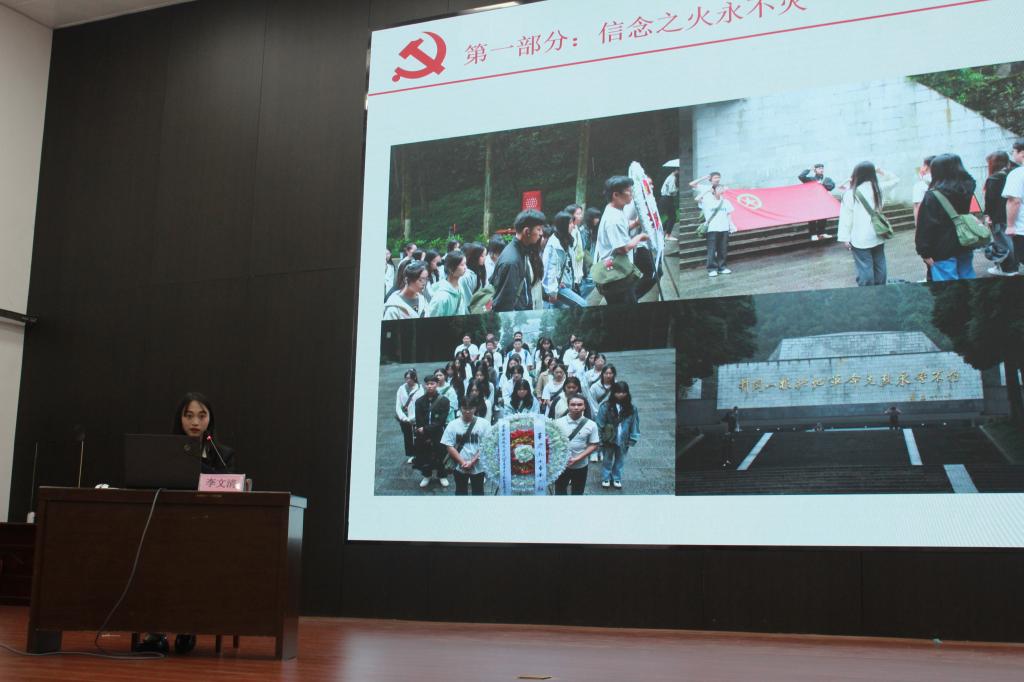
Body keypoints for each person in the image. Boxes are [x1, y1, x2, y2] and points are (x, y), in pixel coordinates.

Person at [137, 392, 234, 655]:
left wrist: (194, 463)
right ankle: (155, 632)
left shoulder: (222, 454)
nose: (195, 422)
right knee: (156, 567)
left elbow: (228, 486)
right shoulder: (163, 452)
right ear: (179, 419)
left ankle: (187, 627)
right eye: (188, 415)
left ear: (210, 419)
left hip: (206, 530)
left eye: (201, 416)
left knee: (195, 568)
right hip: (167, 526)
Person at [915, 153, 977, 282]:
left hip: (942, 248)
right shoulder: (967, 188)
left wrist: (924, 251)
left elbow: (926, 226)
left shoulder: (933, 196)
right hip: (965, 240)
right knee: (967, 277)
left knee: (947, 287)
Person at [837, 162, 898, 286]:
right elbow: (896, 179)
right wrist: (880, 170)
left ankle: (868, 291)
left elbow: (846, 218)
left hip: (860, 238)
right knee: (880, 265)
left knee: (865, 267)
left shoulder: (851, 193)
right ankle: (881, 289)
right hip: (878, 233)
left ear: (856, 174)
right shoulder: (879, 188)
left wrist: (845, 238)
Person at [595, 176, 648, 305]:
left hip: (618, 271)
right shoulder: (614, 219)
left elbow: (624, 227)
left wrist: (635, 223)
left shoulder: (614, 209)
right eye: (629, 191)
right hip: (615, 276)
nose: (631, 194)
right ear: (616, 195)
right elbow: (622, 248)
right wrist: (640, 237)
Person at [491, 209, 545, 312]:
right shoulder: (512, 261)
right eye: (538, 229)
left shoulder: (522, 251)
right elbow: (504, 305)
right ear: (527, 231)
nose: (541, 233)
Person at [441, 398, 491, 495]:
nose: (467, 411)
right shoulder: (453, 424)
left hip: (478, 466)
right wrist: (462, 462)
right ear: (460, 408)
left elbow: (486, 445)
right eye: (465, 408)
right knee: (460, 491)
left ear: (475, 408)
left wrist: (472, 461)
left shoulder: (484, 424)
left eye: (470, 408)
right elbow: (449, 445)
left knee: (478, 491)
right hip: (459, 466)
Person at [596, 381, 640, 490]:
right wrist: (599, 439)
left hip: (623, 439)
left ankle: (616, 478)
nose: (621, 394)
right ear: (613, 393)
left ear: (627, 393)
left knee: (620, 459)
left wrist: (633, 437)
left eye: (623, 392)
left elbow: (634, 423)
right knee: (607, 459)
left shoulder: (632, 408)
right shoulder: (606, 406)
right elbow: (599, 423)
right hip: (609, 438)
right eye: (618, 392)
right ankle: (606, 477)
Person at [553, 396, 600, 495]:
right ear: (568, 406)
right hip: (561, 465)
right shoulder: (557, 423)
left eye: (579, 405)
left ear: (584, 406)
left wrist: (577, 458)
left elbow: (594, 444)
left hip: (581, 465)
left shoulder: (591, 425)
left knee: (578, 492)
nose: (576, 407)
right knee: (560, 491)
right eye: (573, 404)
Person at [542, 211, 587, 308]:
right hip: (557, 287)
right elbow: (549, 269)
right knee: (583, 304)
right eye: (570, 223)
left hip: (564, 283)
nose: (573, 226)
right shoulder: (554, 245)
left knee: (557, 312)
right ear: (563, 225)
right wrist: (552, 292)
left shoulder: (566, 239)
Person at [413, 374, 450, 489]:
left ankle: (442, 475)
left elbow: (441, 421)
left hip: (438, 433)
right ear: (425, 385)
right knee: (425, 454)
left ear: (437, 384)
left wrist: (426, 429)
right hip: (423, 434)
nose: (429, 386)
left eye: (432, 384)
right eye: (427, 384)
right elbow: (419, 420)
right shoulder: (419, 401)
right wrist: (423, 431)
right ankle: (426, 475)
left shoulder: (444, 401)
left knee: (440, 454)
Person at [984, 151, 1016, 276]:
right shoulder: (1012, 174)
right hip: (1013, 214)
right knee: (1011, 241)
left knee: (1002, 243)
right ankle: (1012, 266)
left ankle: (1008, 269)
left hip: (998, 216)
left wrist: (988, 216)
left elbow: (990, 200)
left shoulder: (995, 178)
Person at [695, 181, 736, 277]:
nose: (721, 190)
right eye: (718, 188)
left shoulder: (726, 202)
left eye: (722, 188)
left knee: (723, 249)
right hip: (712, 229)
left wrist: (731, 225)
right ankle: (711, 268)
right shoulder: (707, 201)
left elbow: (728, 214)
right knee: (712, 249)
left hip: (724, 228)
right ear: (713, 190)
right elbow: (697, 199)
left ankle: (722, 267)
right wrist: (707, 191)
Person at [798, 164, 836, 241]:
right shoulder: (810, 179)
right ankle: (813, 234)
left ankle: (822, 233)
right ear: (815, 170)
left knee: (823, 217)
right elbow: (801, 177)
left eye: (822, 168)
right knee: (812, 218)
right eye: (819, 168)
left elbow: (832, 186)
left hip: (823, 201)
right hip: (813, 202)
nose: (821, 170)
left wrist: (822, 184)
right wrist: (808, 169)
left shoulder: (827, 179)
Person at [1003, 140, 1024, 271]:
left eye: (1014, 151)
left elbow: (1014, 201)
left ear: (1022, 153)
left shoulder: (1017, 174)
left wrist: (1010, 226)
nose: (1012, 154)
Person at [427, 249, 468, 317]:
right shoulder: (441, 297)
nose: (465, 267)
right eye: (462, 265)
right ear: (451, 268)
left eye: (465, 264)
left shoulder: (460, 287)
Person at [395, 369, 422, 465]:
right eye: (406, 378)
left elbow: (420, 405)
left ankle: (419, 454)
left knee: (417, 436)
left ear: (414, 378)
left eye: (409, 378)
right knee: (407, 436)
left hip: (416, 418)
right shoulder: (401, 388)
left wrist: (412, 418)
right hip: (404, 418)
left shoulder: (420, 389)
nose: (407, 380)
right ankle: (411, 454)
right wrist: (403, 418)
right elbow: (398, 405)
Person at [660, 168, 679, 240]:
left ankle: (661, 231)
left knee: (671, 217)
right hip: (667, 198)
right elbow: (671, 190)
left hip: (665, 198)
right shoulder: (672, 178)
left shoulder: (670, 177)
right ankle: (668, 235)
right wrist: (677, 189)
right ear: (676, 170)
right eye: (679, 170)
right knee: (673, 217)